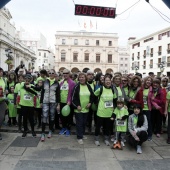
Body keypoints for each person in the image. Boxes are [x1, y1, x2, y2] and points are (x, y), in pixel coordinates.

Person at [72, 72, 94, 144]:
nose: (81, 79)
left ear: (85, 78)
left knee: (84, 123)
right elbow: (73, 98)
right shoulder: (76, 86)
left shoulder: (88, 86)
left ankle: (82, 134)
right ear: (78, 78)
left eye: (83, 77)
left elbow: (92, 96)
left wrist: (90, 103)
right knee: (79, 123)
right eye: (80, 77)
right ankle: (79, 137)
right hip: (78, 109)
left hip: (86, 109)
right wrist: (77, 105)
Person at [94, 75, 114, 146]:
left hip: (109, 112)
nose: (108, 82)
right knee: (98, 126)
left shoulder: (113, 89)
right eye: (106, 81)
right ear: (104, 82)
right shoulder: (101, 89)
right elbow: (94, 96)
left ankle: (106, 139)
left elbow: (114, 99)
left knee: (107, 127)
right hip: (101, 111)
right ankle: (96, 139)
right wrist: (96, 103)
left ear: (111, 81)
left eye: (109, 80)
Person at [40, 69, 60, 141]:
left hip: (53, 102)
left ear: (54, 74)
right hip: (45, 102)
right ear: (48, 74)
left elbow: (58, 95)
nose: (51, 74)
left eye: (52, 73)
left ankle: (50, 131)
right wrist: (41, 102)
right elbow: (42, 92)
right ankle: (43, 133)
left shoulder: (56, 83)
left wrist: (58, 104)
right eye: (50, 73)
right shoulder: (45, 82)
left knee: (52, 117)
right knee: (44, 117)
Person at [59, 69, 75, 136]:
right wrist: (58, 103)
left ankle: (68, 129)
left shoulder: (72, 83)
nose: (65, 74)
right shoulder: (61, 82)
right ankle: (63, 127)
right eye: (64, 73)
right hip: (61, 102)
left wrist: (69, 101)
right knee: (62, 117)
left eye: (66, 73)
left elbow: (73, 94)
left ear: (69, 74)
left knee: (69, 117)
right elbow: (59, 92)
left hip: (68, 103)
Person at [142, 76, 153, 141]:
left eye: (150, 80)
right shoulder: (141, 88)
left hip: (148, 108)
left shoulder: (151, 89)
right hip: (141, 108)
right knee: (141, 122)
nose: (148, 81)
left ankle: (149, 135)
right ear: (145, 81)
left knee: (148, 122)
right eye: (147, 80)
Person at [0, 67, 7, 140]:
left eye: (2, 71)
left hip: (2, 101)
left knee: (1, 117)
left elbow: (6, 89)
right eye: (0, 72)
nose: (1, 73)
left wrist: (6, 91)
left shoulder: (4, 79)